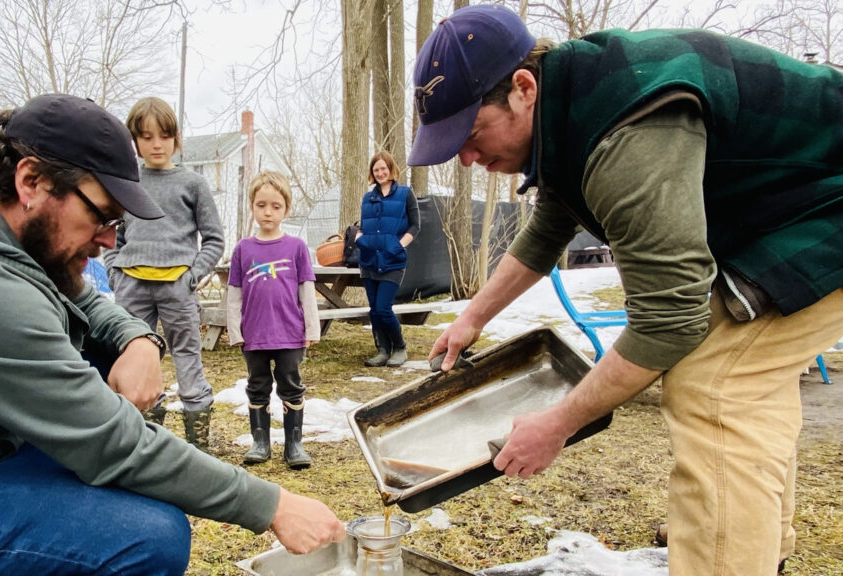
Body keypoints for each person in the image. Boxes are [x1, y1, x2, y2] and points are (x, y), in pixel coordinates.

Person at [0, 93, 346, 576]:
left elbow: (84, 299)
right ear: (32, 182)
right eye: (102, 216)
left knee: (138, 503)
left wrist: (139, 339)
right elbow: (110, 442)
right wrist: (270, 505)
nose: (110, 241)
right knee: (147, 538)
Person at [410, 6, 842, 576]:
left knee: (712, 384)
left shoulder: (624, 136)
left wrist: (557, 424)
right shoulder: (572, 104)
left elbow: (670, 321)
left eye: (469, 134)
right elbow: (549, 226)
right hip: (785, 216)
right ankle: (763, 547)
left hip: (824, 213)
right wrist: (473, 318)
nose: (465, 157)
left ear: (522, 88)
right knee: (744, 375)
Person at [103, 96, 225, 451]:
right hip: (131, 288)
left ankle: (196, 450)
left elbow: (214, 238)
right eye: (146, 137)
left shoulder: (193, 184)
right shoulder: (125, 183)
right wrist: (114, 272)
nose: (156, 144)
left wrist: (193, 275)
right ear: (135, 142)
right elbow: (114, 235)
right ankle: (144, 446)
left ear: (175, 138)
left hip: (177, 288)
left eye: (164, 136)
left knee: (187, 359)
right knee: (135, 358)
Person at [226, 171, 320, 469]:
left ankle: (294, 444)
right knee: (257, 386)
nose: (268, 212)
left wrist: (312, 327)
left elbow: (306, 290)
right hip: (254, 335)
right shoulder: (243, 249)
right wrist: (234, 330)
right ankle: (260, 442)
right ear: (253, 207)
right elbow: (234, 294)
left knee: (291, 385)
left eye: (276, 206)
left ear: (286, 210)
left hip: (289, 334)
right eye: (262, 205)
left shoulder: (296, 248)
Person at [355, 150, 420, 368]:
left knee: (383, 308)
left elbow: (415, 225)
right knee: (374, 310)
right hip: (369, 261)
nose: (380, 172)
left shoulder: (405, 193)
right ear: (372, 173)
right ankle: (382, 350)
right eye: (376, 169)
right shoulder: (368, 197)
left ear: (391, 169)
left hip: (393, 261)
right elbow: (365, 226)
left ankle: (399, 347)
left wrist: (398, 245)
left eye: (383, 168)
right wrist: (359, 238)